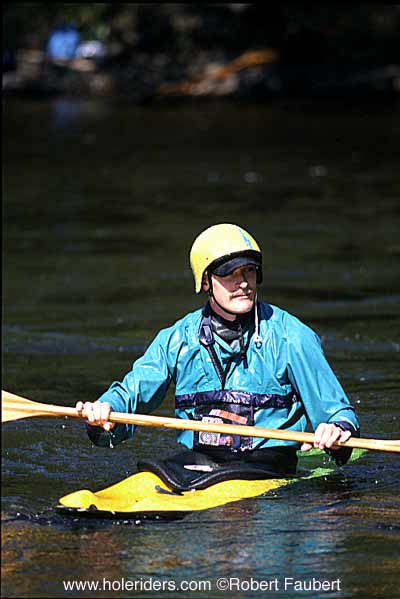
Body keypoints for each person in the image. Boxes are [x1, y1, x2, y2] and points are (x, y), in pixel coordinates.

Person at [76, 223, 359, 482]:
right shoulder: (178, 339)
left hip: (267, 467)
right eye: (230, 274)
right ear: (205, 282)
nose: (244, 283)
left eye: (249, 271)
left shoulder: (292, 337)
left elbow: (338, 412)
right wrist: (105, 411)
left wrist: (337, 428)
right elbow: (131, 394)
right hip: (197, 462)